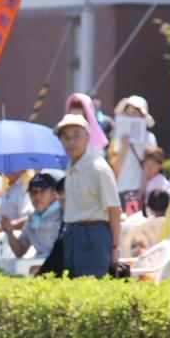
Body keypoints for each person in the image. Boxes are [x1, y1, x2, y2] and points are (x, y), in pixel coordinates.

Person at [55, 113, 121, 278]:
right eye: (65, 137)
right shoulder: (71, 167)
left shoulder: (98, 168)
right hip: (72, 235)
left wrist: (114, 248)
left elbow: (114, 210)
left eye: (76, 136)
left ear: (88, 137)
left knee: (92, 291)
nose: (71, 142)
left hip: (94, 236)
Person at [1, 172, 63, 273]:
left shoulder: (64, 213)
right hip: (38, 265)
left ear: (54, 194)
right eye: (33, 192)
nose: (37, 196)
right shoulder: (32, 218)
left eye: (41, 191)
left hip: (61, 265)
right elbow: (20, 251)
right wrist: (9, 232)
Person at [112, 95, 158, 214]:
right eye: (128, 113)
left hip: (139, 190)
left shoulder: (149, 138)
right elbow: (116, 168)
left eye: (134, 113)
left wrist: (141, 192)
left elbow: (149, 168)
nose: (131, 117)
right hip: (121, 189)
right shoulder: (120, 139)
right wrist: (124, 147)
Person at [140, 147, 170, 216]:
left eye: (153, 164)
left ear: (161, 165)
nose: (149, 168)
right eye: (147, 164)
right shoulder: (151, 180)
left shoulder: (160, 182)